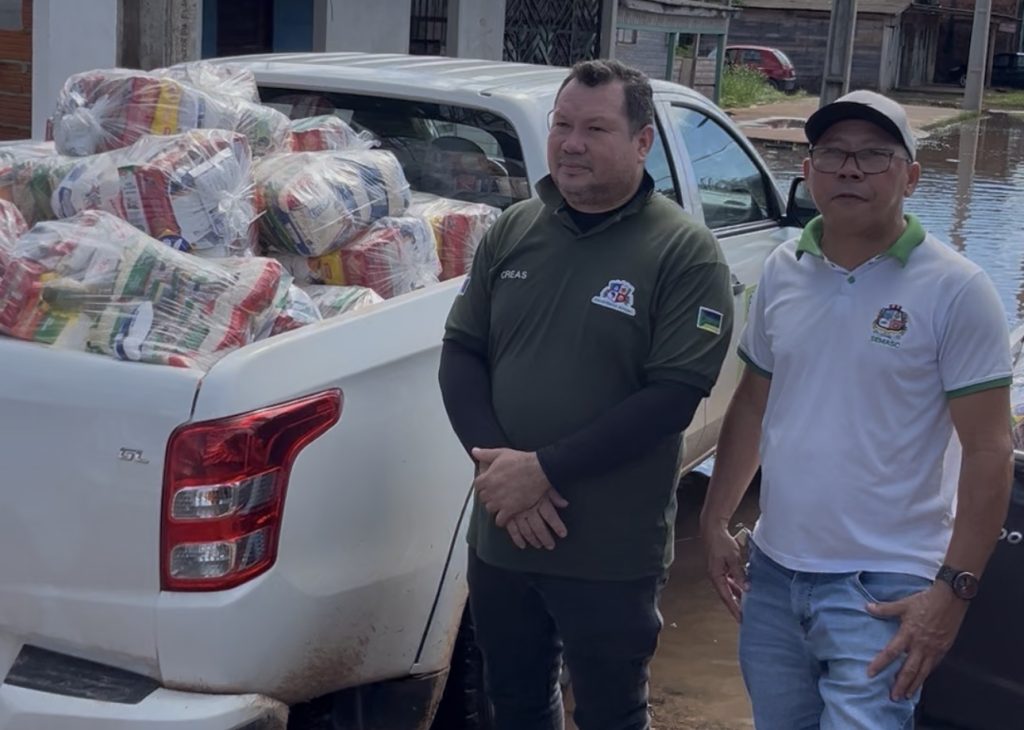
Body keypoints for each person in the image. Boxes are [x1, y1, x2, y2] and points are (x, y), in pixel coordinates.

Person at [699, 89, 1013, 729]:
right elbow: (754, 403)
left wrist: (953, 591)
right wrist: (714, 519)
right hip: (775, 574)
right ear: (807, 170)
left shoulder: (957, 288)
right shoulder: (783, 270)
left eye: (873, 156)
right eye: (833, 154)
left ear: (911, 177)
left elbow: (989, 449)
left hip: (886, 587)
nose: (849, 169)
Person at [438, 59, 734, 730]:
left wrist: (541, 471)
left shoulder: (683, 251)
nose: (572, 144)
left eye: (596, 129)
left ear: (642, 141)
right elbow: (462, 353)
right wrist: (499, 471)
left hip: (609, 548)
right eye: (562, 125)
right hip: (502, 534)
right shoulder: (515, 228)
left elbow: (673, 396)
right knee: (511, 703)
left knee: (611, 712)